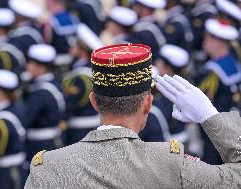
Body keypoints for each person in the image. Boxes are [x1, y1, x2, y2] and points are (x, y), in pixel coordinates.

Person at [25, 43, 241, 188]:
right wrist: (210, 116)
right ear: (148, 103)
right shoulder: (171, 164)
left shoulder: (46, 168)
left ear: (93, 102)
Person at [197, 18, 241, 165]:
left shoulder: (213, 71)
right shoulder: (233, 62)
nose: (204, 40)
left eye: (208, 37)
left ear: (218, 42)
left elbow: (201, 99)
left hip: (216, 131)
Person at [23, 44, 66, 163]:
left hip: (40, 145)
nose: (27, 66)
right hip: (53, 140)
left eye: (30, 63)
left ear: (40, 67)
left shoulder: (41, 92)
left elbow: (26, 119)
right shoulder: (54, 83)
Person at [139, 44, 190, 143]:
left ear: (167, 69)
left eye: (158, 63)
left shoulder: (164, 97)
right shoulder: (184, 89)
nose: (155, 65)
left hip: (169, 147)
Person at [63, 23, 103, 145]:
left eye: (75, 45)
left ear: (82, 49)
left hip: (80, 130)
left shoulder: (82, 76)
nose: (71, 48)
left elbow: (71, 103)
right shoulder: (90, 70)